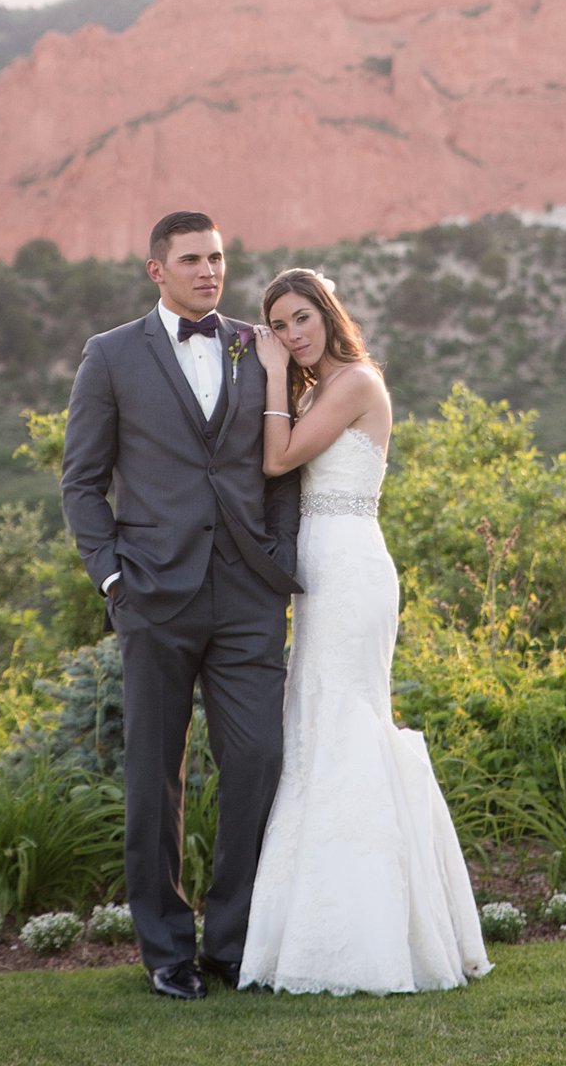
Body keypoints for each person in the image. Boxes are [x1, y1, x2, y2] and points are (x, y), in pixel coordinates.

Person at [60, 211, 301, 1001]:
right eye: (192, 258)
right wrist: (111, 579)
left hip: (246, 598)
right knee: (151, 778)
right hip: (152, 595)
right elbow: (81, 482)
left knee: (259, 760)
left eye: (219, 257)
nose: (210, 271)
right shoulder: (110, 356)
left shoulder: (256, 346)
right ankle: (165, 949)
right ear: (156, 269)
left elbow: (283, 467)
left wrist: (280, 559)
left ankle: (231, 941)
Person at [239, 267, 491, 995]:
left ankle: (374, 933)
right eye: (279, 326)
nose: (291, 334)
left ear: (326, 313)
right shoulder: (316, 389)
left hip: (349, 566)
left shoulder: (352, 380)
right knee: (317, 727)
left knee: (347, 726)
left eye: (300, 318)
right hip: (318, 572)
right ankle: (315, 922)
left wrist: (272, 372)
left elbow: (278, 458)